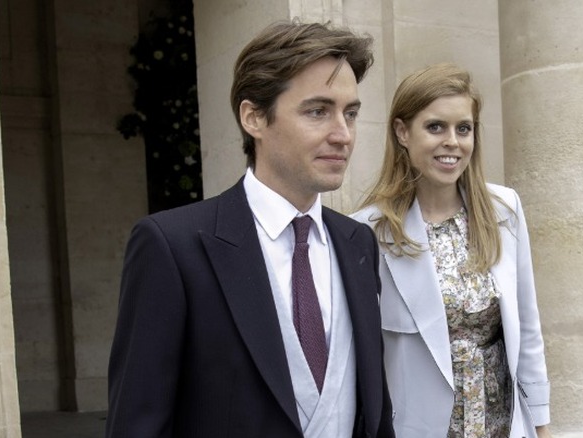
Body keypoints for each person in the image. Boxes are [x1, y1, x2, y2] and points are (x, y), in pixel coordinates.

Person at [106, 20, 395, 438]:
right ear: (254, 117)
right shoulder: (172, 246)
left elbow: (372, 410)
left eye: (350, 113)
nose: (343, 134)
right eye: (318, 111)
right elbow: (138, 424)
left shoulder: (357, 242)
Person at [351, 63, 551, 438]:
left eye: (464, 128)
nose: (453, 142)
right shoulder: (367, 231)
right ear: (402, 132)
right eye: (435, 127)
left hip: (503, 427)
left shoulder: (503, 210)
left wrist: (542, 426)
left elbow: (527, 329)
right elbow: (362, 361)